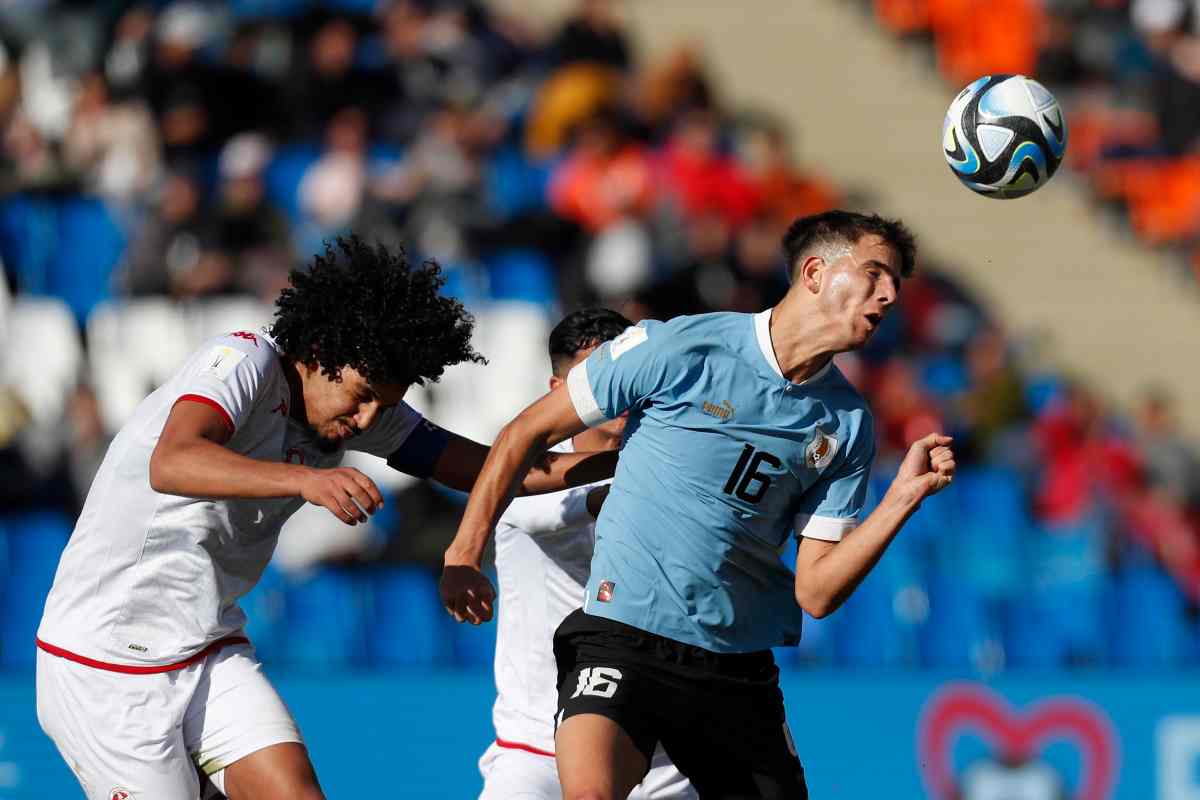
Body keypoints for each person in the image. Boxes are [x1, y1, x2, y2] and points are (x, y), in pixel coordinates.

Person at [34, 235, 614, 800]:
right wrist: (306, 479)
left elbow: (498, 468)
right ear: (318, 354)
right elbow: (173, 460)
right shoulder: (242, 360)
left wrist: (629, 463)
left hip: (205, 649)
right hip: (101, 663)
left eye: (383, 405)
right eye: (361, 395)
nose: (366, 420)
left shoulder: (360, 408)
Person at [440, 210, 957, 799]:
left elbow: (816, 592)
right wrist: (464, 551)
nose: (889, 294)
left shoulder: (846, 424)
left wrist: (901, 499)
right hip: (622, 635)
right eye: (874, 274)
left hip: (734, 669)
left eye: (895, 283)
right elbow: (523, 433)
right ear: (815, 271)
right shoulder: (684, 346)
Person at [478, 308, 694, 800]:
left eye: (625, 376)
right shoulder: (519, 470)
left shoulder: (680, 461)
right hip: (536, 753)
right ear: (558, 390)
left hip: (658, 760)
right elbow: (537, 511)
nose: (614, 392)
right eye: (596, 379)